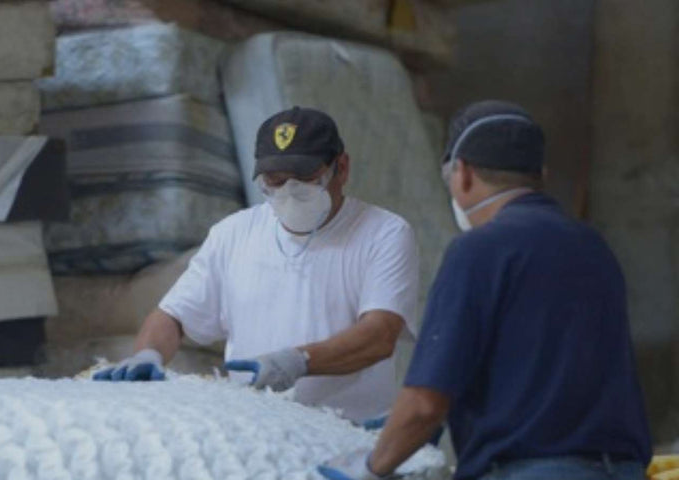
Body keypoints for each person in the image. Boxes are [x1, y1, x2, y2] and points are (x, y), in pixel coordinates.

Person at [319, 100, 652, 480]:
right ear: (539, 174)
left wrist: (371, 465)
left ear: (462, 174)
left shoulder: (480, 251)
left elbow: (426, 403)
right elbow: (542, 368)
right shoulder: (594, 247)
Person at [93, 106, 421, 423]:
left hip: (349, 428)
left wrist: (299, 361)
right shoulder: (233, 234)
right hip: (256, 424)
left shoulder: (383, 233)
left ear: (342, 168)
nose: (290, 193)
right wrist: (148, 354)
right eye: (275, 182)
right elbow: (173, 316)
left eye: (306, 179)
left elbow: (379, 336)